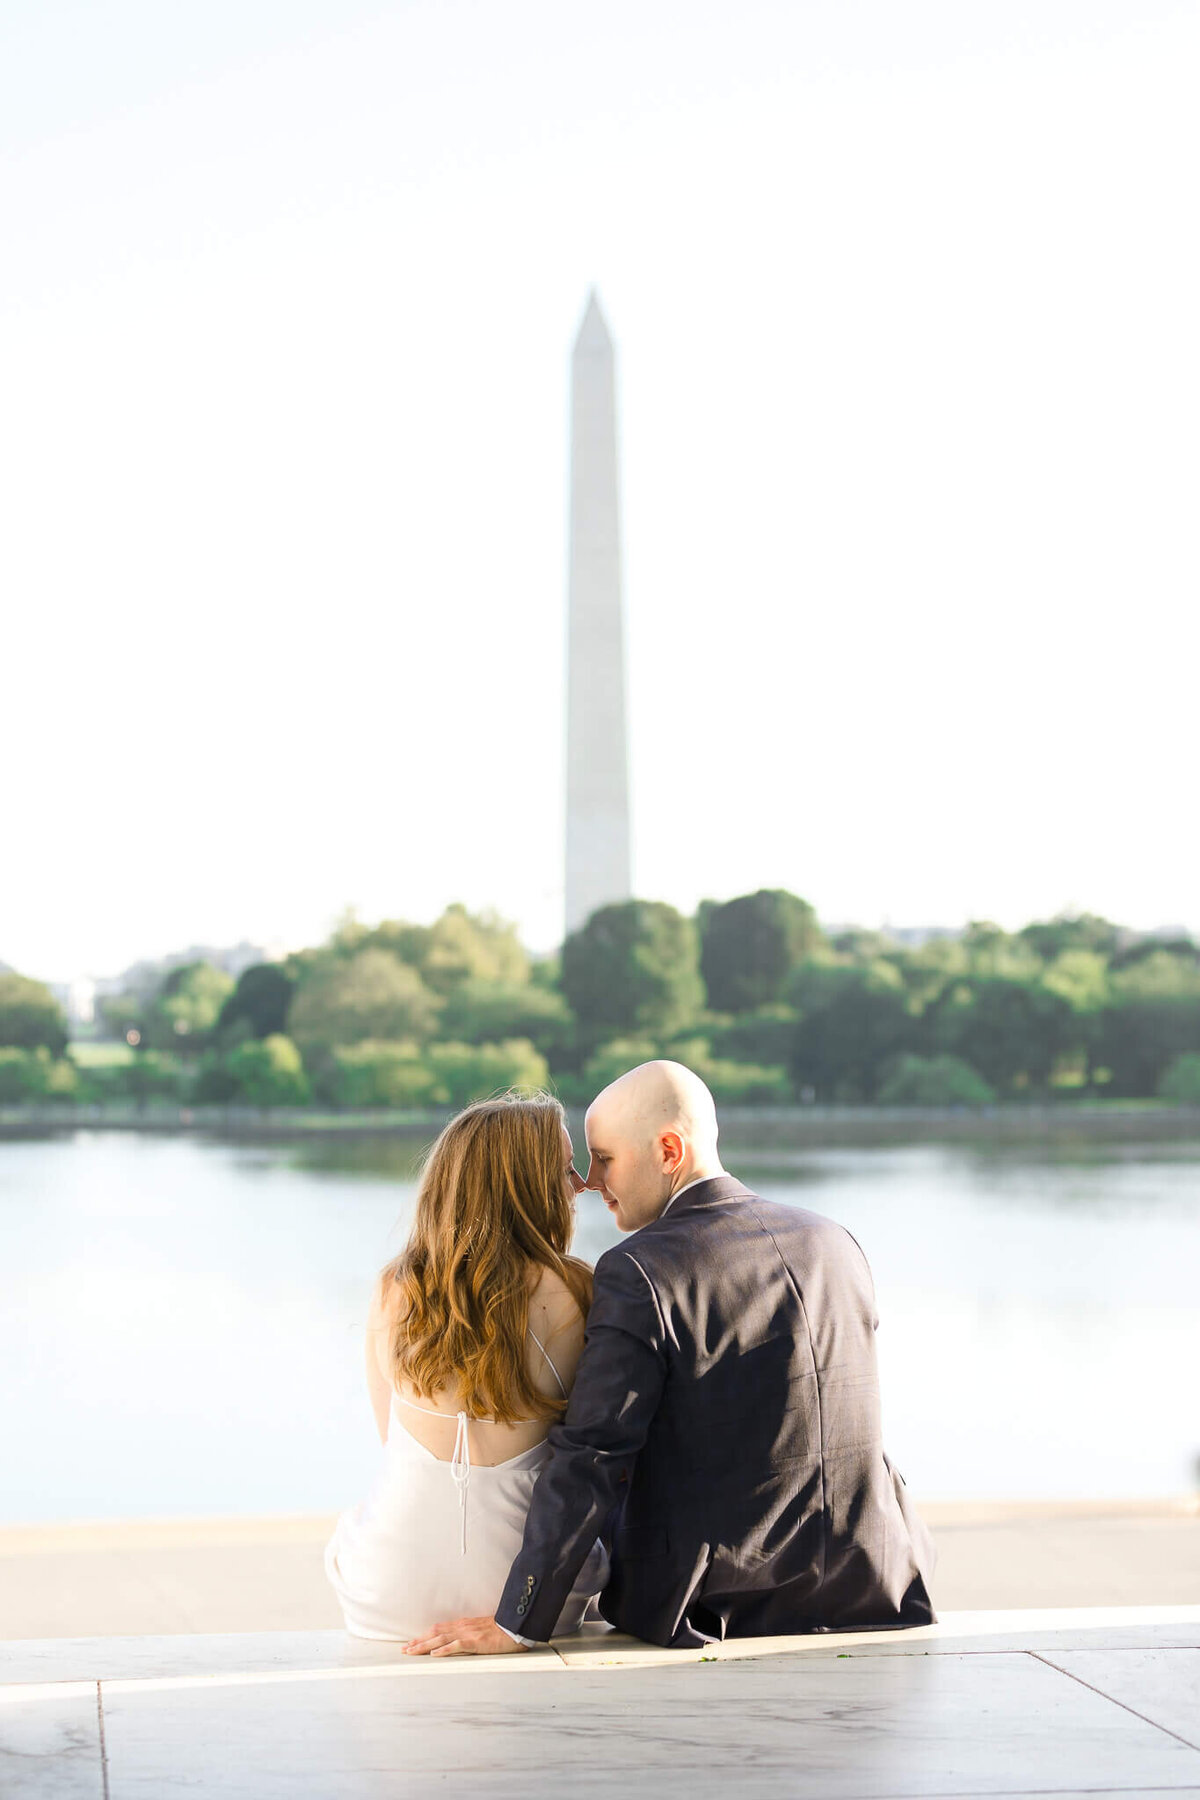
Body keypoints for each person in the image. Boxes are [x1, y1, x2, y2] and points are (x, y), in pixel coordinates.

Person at [405, 1059, 936, 1656]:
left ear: (667, 1150)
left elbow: (593, 1454)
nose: (590, 1183)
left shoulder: (640, 1269)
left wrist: (518, 1619)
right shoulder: (835, 1242)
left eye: (605, 1159)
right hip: (872, 1581)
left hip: (714, 1602)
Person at [325, 1092, 607, 1640]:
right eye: (563, 1169)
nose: (580, 1185)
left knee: (349, 1534)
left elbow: (393, 1441)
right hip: (525, 1594)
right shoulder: (578, 1291)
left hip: (390, 1593)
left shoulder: (395, 1290)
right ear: (522, 1184)